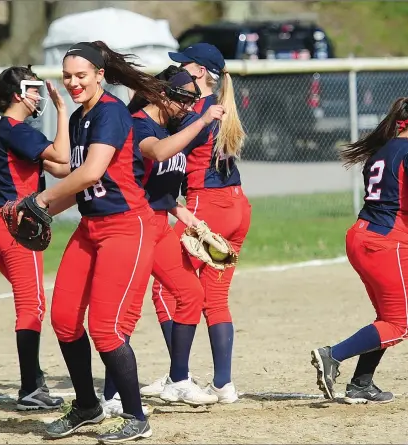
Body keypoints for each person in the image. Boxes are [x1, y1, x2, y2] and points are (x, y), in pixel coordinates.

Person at [36, 41, 167, 443]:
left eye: (81, 75)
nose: (74, 82)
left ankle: (135, 416)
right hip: (91, 228)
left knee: (106, 329)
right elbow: (82, 188)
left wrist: (39, 199)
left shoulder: (110, 112)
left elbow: (92, 173)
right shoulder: (80, 117)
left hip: (127, 227)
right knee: (62, 320)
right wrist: (38, 212)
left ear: (99, 75)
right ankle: (87, 406)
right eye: (68, 76)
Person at [311, 97, 408, 404]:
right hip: (384, 243)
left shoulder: (381, 151)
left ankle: (361, 383)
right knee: (400, 324)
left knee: (386, 317)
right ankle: (332, 355)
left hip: (361, 237)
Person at [100, 66, 225, 413]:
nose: (188, 107)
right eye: (183, 99)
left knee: (191, 294)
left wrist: (188, 217)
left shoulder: (166, 126)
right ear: (161, 96)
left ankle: (178, 380)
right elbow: (156, 153)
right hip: (133, 227)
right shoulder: (139, 124)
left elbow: (158, 189)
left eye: (192, 101)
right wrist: (201, 122)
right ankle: (110, 398)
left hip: (158, 225)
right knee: (127, 312)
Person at [141, 43, 252, 404]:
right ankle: (223, 385)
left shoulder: (195, 111)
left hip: (206, 205)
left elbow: (167, 152)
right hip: (238, 205)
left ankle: (180, 375)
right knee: (214, 297)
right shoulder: (222, 106)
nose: (179, 71)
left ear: (200, 72)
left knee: (163, 287)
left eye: (185, 66)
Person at [0, 65, 70, 411]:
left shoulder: (9, 129)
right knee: (31, 306)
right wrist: (63, 112)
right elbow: (60, 156)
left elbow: (60, 168)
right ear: (18, 94)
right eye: (32, 90)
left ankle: (35, 378)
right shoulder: (16, 127)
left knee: (27, 300)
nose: (38, 96)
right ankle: (30, 388)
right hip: (12, 225)